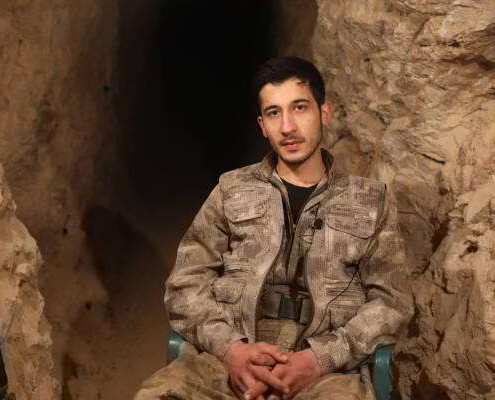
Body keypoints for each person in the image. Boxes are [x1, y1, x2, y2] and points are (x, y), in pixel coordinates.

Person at [135, 56, 412, 400]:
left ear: (324, 113)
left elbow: (391, 303)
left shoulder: (370, 201)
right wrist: (231, 350)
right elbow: (184, 285)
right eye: (273, 113)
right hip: (226, 364)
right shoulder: (231, 190)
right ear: (262, 126)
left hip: (327, 375)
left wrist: (320, 359)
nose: (287, 127)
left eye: (299, 108)